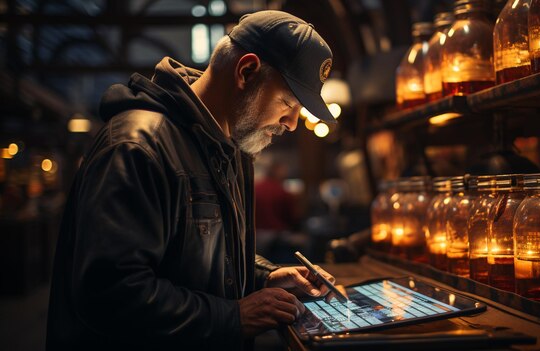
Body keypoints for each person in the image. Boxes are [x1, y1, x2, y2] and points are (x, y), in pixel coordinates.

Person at [46, 10, 337, 350]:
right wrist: (233, 317)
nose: (291, 123)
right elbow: (109, 293)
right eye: (288, 103)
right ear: (246, 71)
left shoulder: (233, 150)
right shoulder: (138, 145)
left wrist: (264, 277)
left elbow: (196, 258)